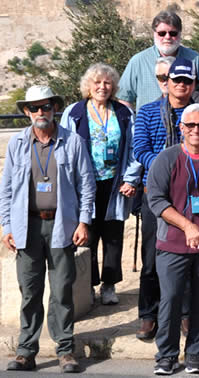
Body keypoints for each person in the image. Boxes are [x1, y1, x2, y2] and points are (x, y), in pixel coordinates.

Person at [1, 85, 94, 374]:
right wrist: (6, 226)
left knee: (62, 290)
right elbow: (6, 190)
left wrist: (83, 221)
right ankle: (26, 351)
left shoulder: (73, 141)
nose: (41, 112)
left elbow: (86, 184)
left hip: (62, 225)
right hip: (26, 225)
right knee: (29, 290)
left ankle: (65, 350)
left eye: (46, 106)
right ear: (27, 112)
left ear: (55, 108)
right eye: (34, 108)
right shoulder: (17, 143)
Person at [133, 58, 199, 341]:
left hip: (194, 195)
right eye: (176, 80)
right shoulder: (146, 113)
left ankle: (184, 314)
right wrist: (168, 167)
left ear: (194, 84)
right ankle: (148, 313)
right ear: (166, 82)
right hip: (156, 194)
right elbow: (139, 148)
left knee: (190, 255)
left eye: (187, 81)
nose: (181, 85)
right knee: (152, 257)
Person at [146, 104, 199, 375]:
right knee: (170, 299)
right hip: (172, 243)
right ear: (181, 128)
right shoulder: (166, 158)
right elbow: (156, 200)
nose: (196, 130)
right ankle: (167, 355)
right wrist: (187, 227)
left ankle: (196, 352)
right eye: (190, 125)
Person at [60, 64, 139, 307]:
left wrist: (130, 178)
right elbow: (63, 148)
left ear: (113, 86)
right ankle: (89, 285)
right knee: (87, 234)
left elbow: (135, 148)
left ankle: (109, 285)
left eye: (107, 83)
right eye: (97, 82)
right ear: (88, 86)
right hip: (83, 185)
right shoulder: (74, 113)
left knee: (113, 235)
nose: (102, 87)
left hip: (115, 184)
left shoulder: (124, 113)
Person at [118, 9, 199, 110]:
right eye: (162, 33)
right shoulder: (138, 61)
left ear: (179, 34)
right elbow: (124, 99)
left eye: (173, 33)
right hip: (148, 123)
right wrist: (133, 123)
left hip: (187, 123)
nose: (167, 37)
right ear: (154, 33)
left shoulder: (195, 60)